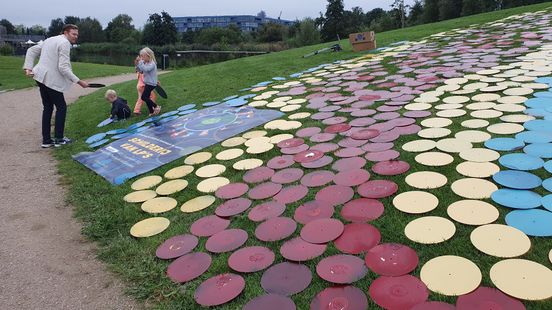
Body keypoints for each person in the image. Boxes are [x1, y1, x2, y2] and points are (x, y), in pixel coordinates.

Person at [23, 24, 89, 148]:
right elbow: (63, 67)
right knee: (61, 107)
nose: (76, 37)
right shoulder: (64, 43)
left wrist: (28, 68)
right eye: (73, 34)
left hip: (39, 76)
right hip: (49, 79)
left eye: (77, 35)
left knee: (48, 107)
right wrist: (79, 81)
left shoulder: (50, 39)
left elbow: (31, 50)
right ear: (65, 32)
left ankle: (46, 141)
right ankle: (59, 139)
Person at [135, 47, 161, 116]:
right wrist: (137, 65)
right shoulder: (145, 63)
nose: (142, 58)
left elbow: (146, 69)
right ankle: (151, 111)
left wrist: (140, 62)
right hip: (148, 83)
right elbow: (141, 71)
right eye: (141, 56)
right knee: (147, 97)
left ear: (148, 55)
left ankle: (156, 107)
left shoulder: (152, 63)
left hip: (151, 84)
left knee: (144, 97)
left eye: (143, 56)